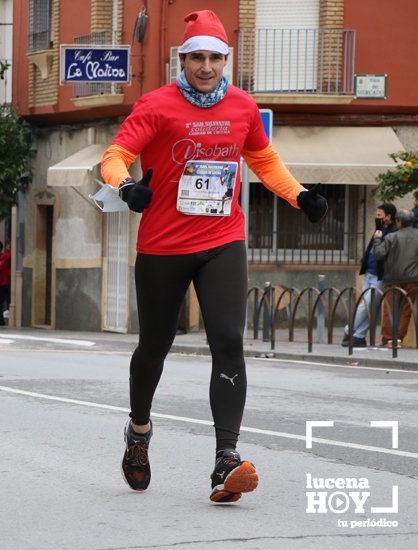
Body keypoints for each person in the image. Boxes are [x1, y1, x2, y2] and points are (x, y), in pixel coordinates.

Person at [100, 10, 328, 503]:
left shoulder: (243, 107)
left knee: (227, 340)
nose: (206, 65)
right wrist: (126, 187)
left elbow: (264, 160)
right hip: (163, 245)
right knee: (154, 346)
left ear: (227, 60)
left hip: (223, 239)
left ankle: (226, 459)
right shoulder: (155, 105)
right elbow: (115, 155)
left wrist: (300, 195)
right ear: (182, 59)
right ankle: (139, 433)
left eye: (214, 57)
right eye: (197, 56)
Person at [342, 203, 397, 347]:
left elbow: (382, 253)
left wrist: (379, 237)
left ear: (388, 216)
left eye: (379, 215)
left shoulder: (392, 232)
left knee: (366, 304)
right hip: (369, 272)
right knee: (368, 307)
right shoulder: (379, 229)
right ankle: (359, 336)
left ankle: (349, 330)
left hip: (380, 275)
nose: (377, 217)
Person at [373, 209, 418, 347]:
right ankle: (398, 338)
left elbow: (379, 254)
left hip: (393, 279)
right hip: (413, 279)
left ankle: (388, 338)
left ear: (398, 222)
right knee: (406, 310)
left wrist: (376, 239)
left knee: (390, 309)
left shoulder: (391, 237)